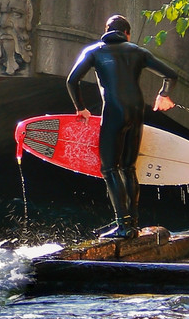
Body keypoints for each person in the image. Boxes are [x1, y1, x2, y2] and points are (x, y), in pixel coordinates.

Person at [66, 14, 180, 238]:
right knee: (128, 168)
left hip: (114, 112)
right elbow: (170, 74)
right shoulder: (138, 51)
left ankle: (123, 225)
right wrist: (163, 94)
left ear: (106, 29)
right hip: (137, 112)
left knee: (109, 168)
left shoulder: (94, 51)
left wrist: (81, 108)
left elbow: (72, 80)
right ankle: (133, 224)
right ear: (127, 33)